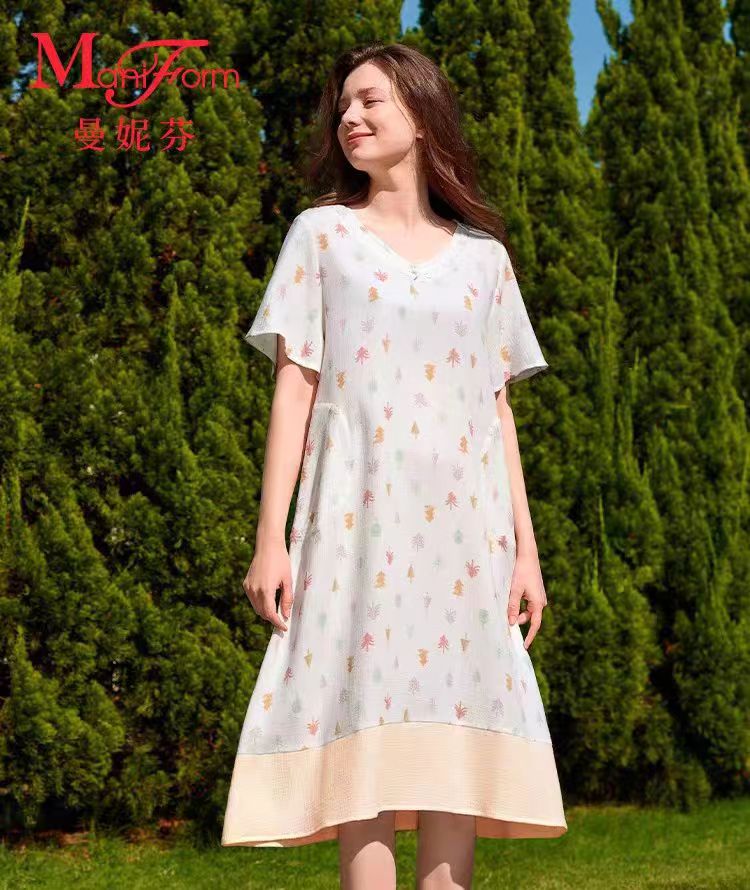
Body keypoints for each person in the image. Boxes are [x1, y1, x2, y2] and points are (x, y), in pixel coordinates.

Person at [222, 41, 567, 890]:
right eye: (343, 105)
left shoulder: (484, 259)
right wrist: (271, 539)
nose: (350, 116)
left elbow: (496, 411)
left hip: (466, 542)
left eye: (370, 100)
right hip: (357, 529)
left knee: (457, 748)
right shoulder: (322, 237)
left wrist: (525, 552)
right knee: (364, 741)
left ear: (421, 113)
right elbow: (295, 389)